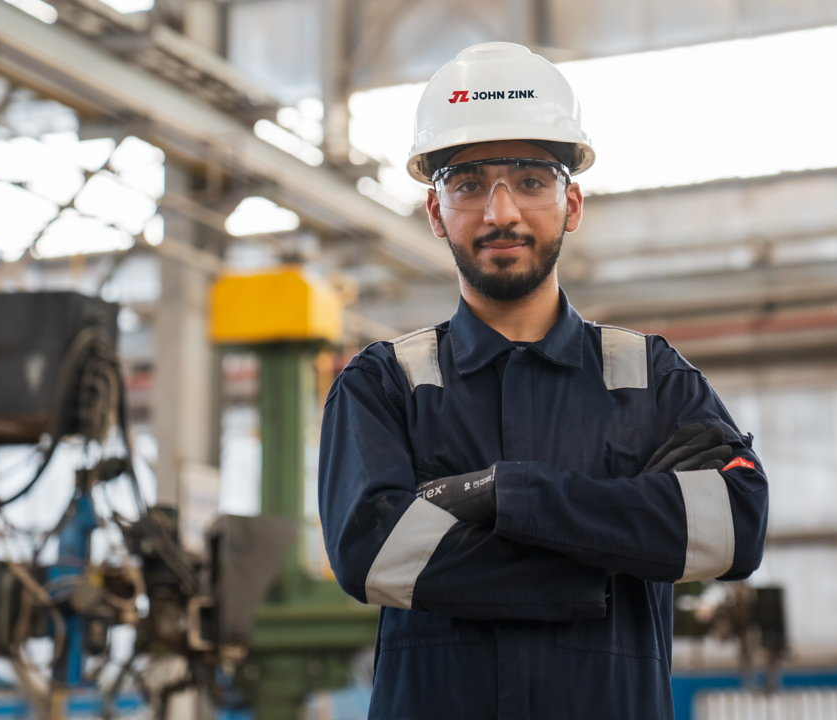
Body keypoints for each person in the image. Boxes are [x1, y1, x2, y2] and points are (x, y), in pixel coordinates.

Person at [318, 42, 768, 719]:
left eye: (531, 180)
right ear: (436, 211)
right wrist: (617, 547)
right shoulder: (383, 387)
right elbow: (375, 554)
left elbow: (734, 527)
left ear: (572, 202)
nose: (502, 213)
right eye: (468, 183)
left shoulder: (652, 378)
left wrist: (508, 492)